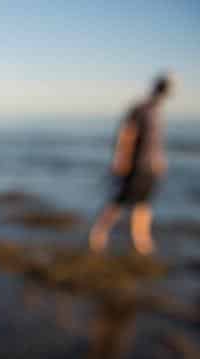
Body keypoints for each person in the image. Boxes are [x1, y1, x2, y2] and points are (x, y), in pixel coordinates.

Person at [89, 73, 174, 255]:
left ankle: (141, 240)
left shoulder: (157, 111)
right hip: (136, 165)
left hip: (150, 166)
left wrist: (159, 161)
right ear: (157, 88)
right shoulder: (140, 108)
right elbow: (127, 133)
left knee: (143, 204)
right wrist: (121, 159)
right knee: (120, 202)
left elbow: (155, 141)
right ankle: (98, 233)